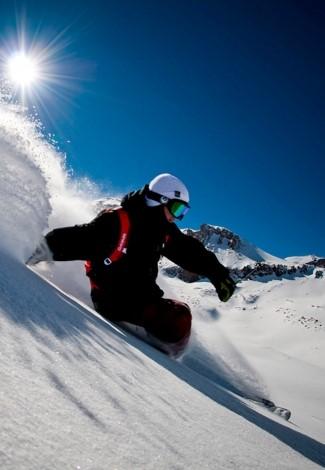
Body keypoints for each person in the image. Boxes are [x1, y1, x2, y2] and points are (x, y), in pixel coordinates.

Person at [27, 173, 235, 355]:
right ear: (159, 200)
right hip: (113, 302)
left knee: (181, 313)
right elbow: (75, 240)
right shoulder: (117, 224)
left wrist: (218, 274)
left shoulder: (161, 230)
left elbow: (188, 250)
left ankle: (162, 341)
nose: (177, 217)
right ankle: (157, 339)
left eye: (183, 212)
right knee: (177, 321)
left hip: (143, 299)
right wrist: (31, 250)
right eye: (177, 208)